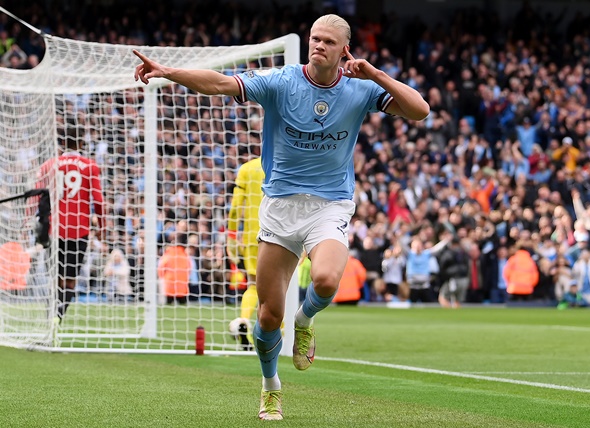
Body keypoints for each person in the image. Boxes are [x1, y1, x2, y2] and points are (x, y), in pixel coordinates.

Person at [134, 13, 430, 421]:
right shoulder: (281, 81)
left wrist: (376, 74)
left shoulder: (360, 88)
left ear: (344, 50)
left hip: (329, 205)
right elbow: (220, 83)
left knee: (326, 279)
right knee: (268, 315)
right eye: (314, 38)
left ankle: (304, 320)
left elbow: (420, 110)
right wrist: (168, 72)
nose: (318, 45)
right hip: (280, 207)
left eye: (328, 41)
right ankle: (270, 384)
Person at [38, 124, 104, 330]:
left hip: (55, 229)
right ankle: (58, 317)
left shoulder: (49, 165)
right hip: (79, 229)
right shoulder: (90, 166)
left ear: (62, 143)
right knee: (70, 280)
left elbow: (37, 196)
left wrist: (29, 222)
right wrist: (102, 227)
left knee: (55, 277)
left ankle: (51, 316)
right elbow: (98, 201)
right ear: (82, 143)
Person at [226, 156, 265, 350]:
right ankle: (280, 333)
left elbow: (235, 207)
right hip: (282, 233)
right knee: (280, 287)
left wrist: (232, 235)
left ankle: (243, 320)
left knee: (254, 285)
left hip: (252, 235)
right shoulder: (288, 162)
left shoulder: (247, 169)